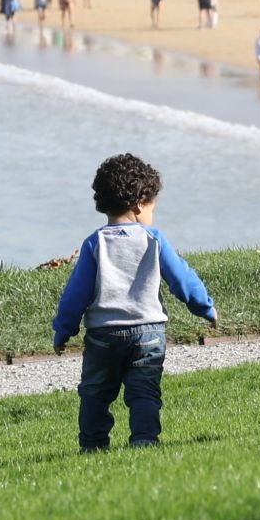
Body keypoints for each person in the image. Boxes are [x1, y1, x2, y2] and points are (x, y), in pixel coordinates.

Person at [51, 154, 217, 452]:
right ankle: (144, 441)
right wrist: (204, 307)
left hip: (104, 335)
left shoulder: (95, 243)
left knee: (95, 394)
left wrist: (63, 331)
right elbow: (181, 279)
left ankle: (93, 446)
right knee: (144, 392)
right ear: (139, 203)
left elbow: (75, 295)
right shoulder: (153, 239)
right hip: (149, 332)